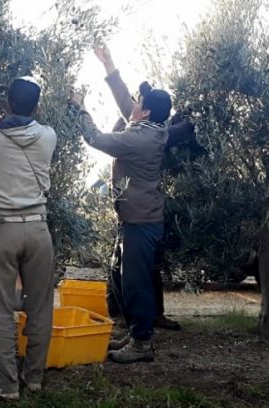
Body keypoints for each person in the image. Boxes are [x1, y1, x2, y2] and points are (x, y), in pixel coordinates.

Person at [71, 44, 192, 363]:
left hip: (141, 222)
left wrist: (80, 108)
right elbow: (125, 100)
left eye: (138, 103)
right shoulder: (150, 129)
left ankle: (142, 344)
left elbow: (95, 138)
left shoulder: (138, 139)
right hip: (135, 220)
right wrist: (109, 63)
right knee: (120, 279)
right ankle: (135, 333)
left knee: (136, 284)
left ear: (146, 111)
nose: (132, 104)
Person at [0, 76, 57, 400]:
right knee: (40, 307)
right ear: (37, 106)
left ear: (7, 102)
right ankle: (34, 378)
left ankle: (8, 386)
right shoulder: (49, 136)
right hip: (39, 230)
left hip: (2, 229)